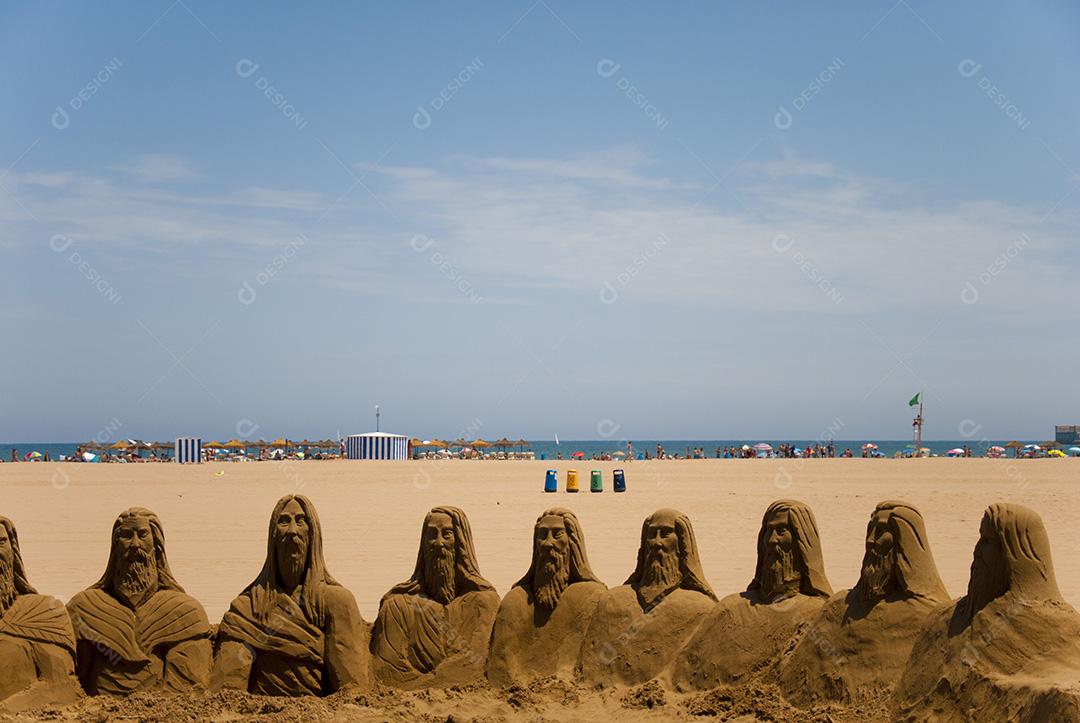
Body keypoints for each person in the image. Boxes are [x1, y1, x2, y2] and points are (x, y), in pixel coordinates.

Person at [895, 503, 1080, 720]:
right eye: (980, 539)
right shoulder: (942, 620)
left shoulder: (1060, 627)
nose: (977, 550)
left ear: (1012, 554)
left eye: (988, 542)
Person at [780, 501, 949, 707]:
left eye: (882, 532)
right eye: (870, 530)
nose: (871, 541)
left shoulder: (932, 617)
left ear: (905, 542)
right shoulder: (839, 608)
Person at [213, 495, 370, 696]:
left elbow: (351, 688)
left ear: (314, 536)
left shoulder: (337, 603)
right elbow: (228, 691)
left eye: (301, 521)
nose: (292, 531)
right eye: (284, 521)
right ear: (273, 537)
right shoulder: (246, 610)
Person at [673, 500, 832, 690]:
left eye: (782, 531)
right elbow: (685, 667)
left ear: (801, 541)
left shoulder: (818, 614)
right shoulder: (732, 607)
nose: (772, 540)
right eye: (768, 531)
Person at [67, 508, 212, 695]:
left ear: (156, 544)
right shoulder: (85, 606)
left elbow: (186, 687)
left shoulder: (185, 611)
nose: (135, 545)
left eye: (143, 535)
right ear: (115, 545)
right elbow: (74, 680)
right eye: (126, 536)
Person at [579, 508, 716, 686]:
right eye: (652, 535)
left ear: (682, 545)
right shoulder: (614, 599)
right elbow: (593, 662)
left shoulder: (701, 607)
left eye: (666, 534)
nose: (656, 542)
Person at [371, 506, 499, 689]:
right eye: (432, 535)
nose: (438, 543)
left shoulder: (483, 603)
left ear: (461, 543)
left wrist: (423, 684)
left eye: (447, 535)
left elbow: (474, 665)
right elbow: (387, 672)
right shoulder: (398, 606)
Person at [487, 508, 606, 685]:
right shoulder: (517, 600)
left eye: (557, 535)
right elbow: (501, 665)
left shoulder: (592, 596)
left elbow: (597, 661)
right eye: (542, 536)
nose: (547, 543)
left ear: (573, 543)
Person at [0, 517, 80, 709]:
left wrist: (5, 710)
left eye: (0, 542)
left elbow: (62, 688)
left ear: (13, 550)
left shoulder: (45, 612)